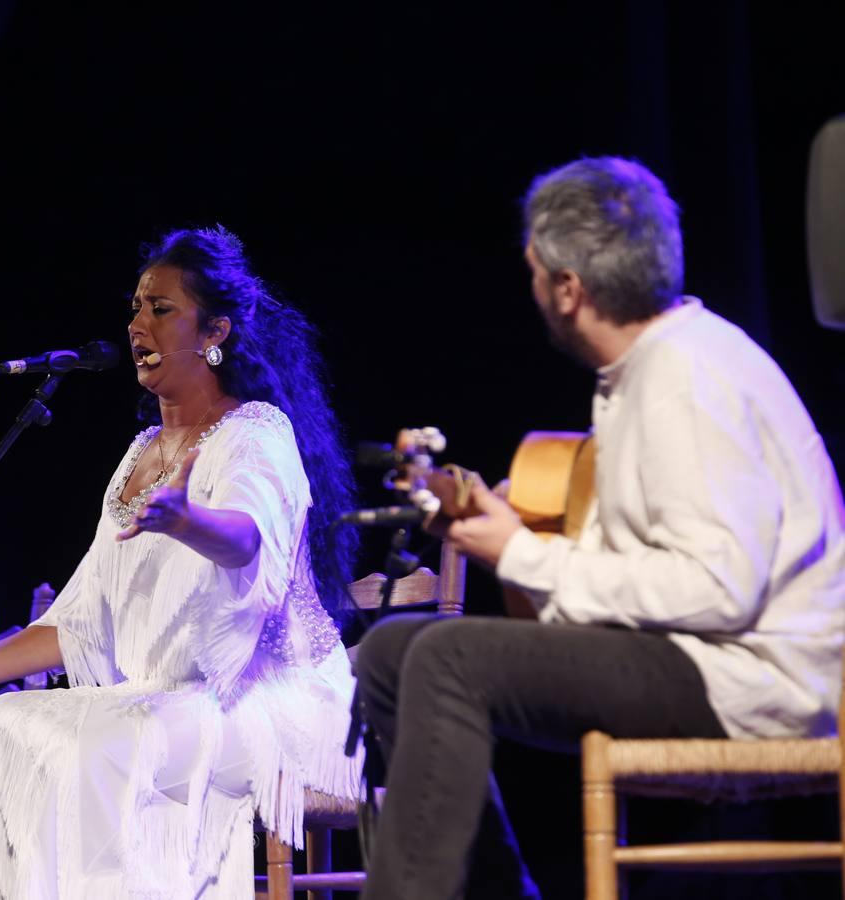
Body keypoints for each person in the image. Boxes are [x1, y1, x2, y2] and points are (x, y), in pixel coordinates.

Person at [355, 157, 845, 899]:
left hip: (753, 679)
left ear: (567, 288)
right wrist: (520, 544)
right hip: (697, 655)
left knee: (451, 657)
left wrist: (524, 555)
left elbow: (716, 587)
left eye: (532, 272)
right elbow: (663, 564)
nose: (531, 291)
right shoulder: (646, 371)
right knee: (393, 650)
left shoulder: (684, 376)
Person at [0, 226, 362, 898]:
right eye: (136, 308)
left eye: (161, 309)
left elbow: (248, 539)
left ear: (216, 333)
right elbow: (76, 624)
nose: (137, 325)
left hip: (254, 698)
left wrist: (189, 519)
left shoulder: (255, 432)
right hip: (159, 698)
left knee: (101, 748)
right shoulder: (140, 451)